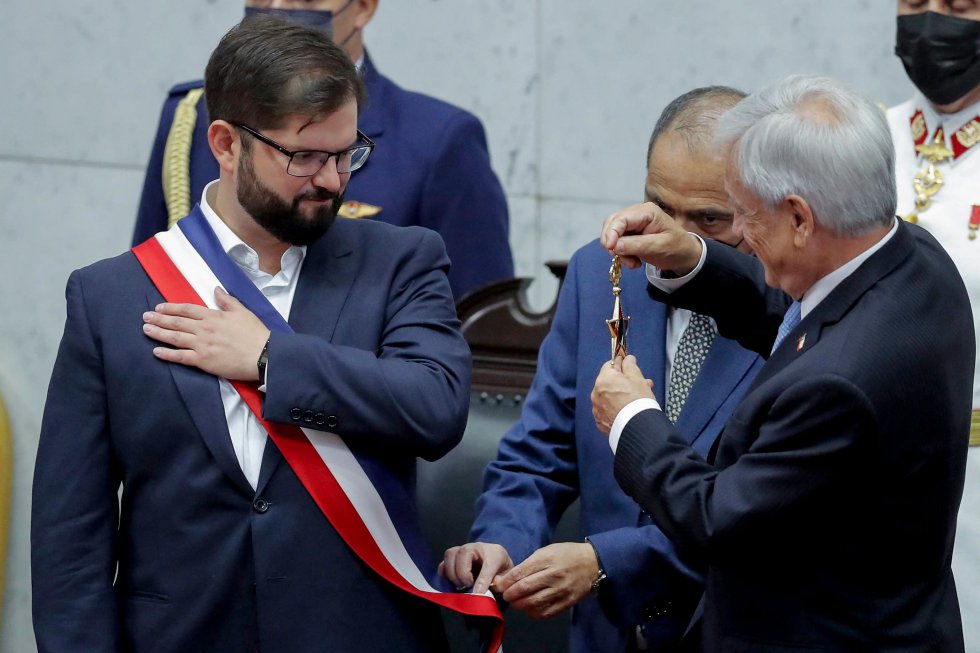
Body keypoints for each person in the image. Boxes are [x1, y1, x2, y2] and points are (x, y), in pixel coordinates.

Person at [32, 16, 486, 653]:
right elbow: (69, 535)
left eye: (346, 154)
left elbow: (436, 408)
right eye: (303, 156)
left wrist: (270, 357)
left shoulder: (400, 261)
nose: (330, 180)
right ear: (225, 143)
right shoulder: (109, 297)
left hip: (358, 632)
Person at [592, 74, 975, 652]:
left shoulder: (836, 385)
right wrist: (693, 257)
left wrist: (631, 419)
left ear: (799, 218)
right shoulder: (914, 259)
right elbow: (806, 312)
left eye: (744, 216)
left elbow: (718, 520)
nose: (738, 234)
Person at [440, 87, 764, 653]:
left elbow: (757, 515)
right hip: (606, 637)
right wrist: (502, 540)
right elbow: (540, 452)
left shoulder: (791, 306)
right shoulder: (600, 273)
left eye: (711, 219)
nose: (673, 239)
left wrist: (603, 564)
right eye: (661, 207)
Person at [132, 0, 513, 300]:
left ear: (363, 6)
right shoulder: (192, 115)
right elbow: (150, 273)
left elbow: (480, 320)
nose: (278, 9)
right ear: (224, 143)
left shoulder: (436, 139)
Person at [889, 2, 980, 646]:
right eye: (915, 2)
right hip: (854, 469)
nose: (932, 22)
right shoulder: (860, 136)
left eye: (959, 6)